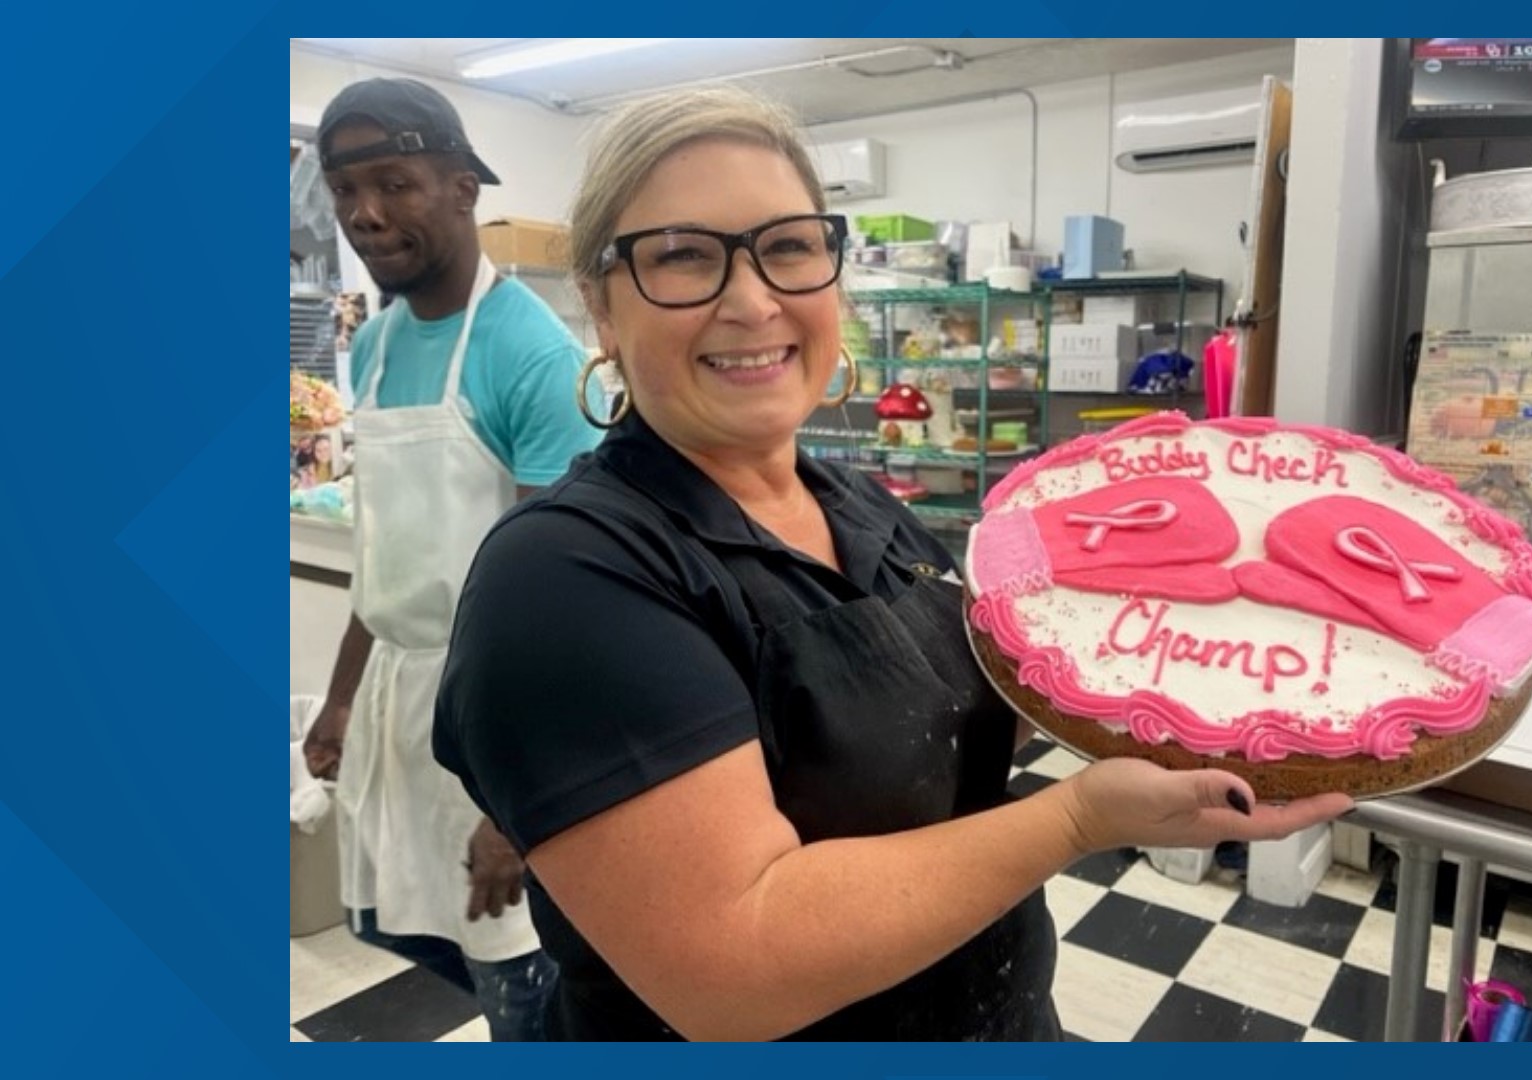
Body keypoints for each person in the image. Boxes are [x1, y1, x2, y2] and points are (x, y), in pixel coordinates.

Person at [431, 84, 1353, 1042]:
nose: (750, 301)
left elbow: (938, 735)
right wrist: (1079, 819)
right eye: (683, 257)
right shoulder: (567, 578)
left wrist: (1177, 683)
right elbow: (735, 966)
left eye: (787, 247)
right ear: (602, 310)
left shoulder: (857, 504)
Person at [299, 77, 604, 1041]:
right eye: (346, 191)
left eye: (395, 183)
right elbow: (384, 545)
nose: (365, 215)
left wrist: (520, 806)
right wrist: (345, 693)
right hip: (399, 694)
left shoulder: (530, 356)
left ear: (465, 187)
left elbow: (564, 604)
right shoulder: (380, 344)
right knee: (426, 942)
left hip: (498, 716)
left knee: (524, 983)